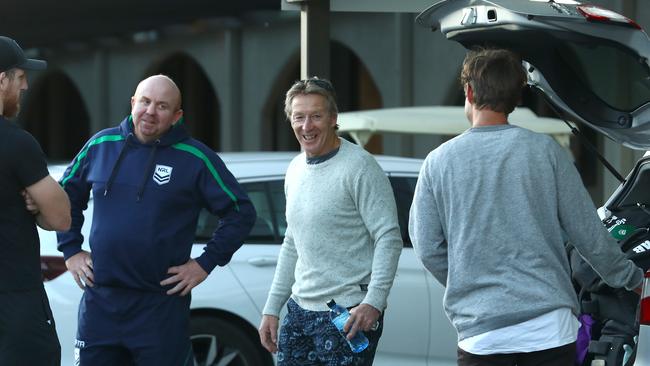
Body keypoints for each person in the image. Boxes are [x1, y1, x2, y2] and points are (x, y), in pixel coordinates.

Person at [408, 48, 644, 366]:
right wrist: (630, 278)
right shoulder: (545, 152)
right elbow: (588, 233)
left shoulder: (438, 162)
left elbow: (426, 247)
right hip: (550, 330)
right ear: (517, 98)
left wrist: (469, 280)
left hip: (482, 335)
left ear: (468, 91)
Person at [57, 74, 256, 366]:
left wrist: (205, 263)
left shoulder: (196, 158)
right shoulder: (101, 144)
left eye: (162, 106)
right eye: (145, 102)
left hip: (160, 307)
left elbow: (241, 212)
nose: (151, 111)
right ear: (133, 103)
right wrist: (71, 249)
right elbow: (64, 197)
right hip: (101, 302)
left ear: (177, 116)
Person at [258, 77, 403, 365]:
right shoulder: (295, 168)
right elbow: (292, 242)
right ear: (290, 120)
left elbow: (389, 237)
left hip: (348, 314)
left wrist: (374, 302)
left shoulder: (360, 167)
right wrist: (272, 308)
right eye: (299, 117)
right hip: (299, 311)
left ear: (333, 118)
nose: (307, 126)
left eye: (316, 116)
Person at [0, 36, 71, 365]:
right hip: (14, 301)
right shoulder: (17, 145)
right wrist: (36, 208)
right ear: (2, 80)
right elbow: (60, 219)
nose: (25, 87)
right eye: (20, 77)